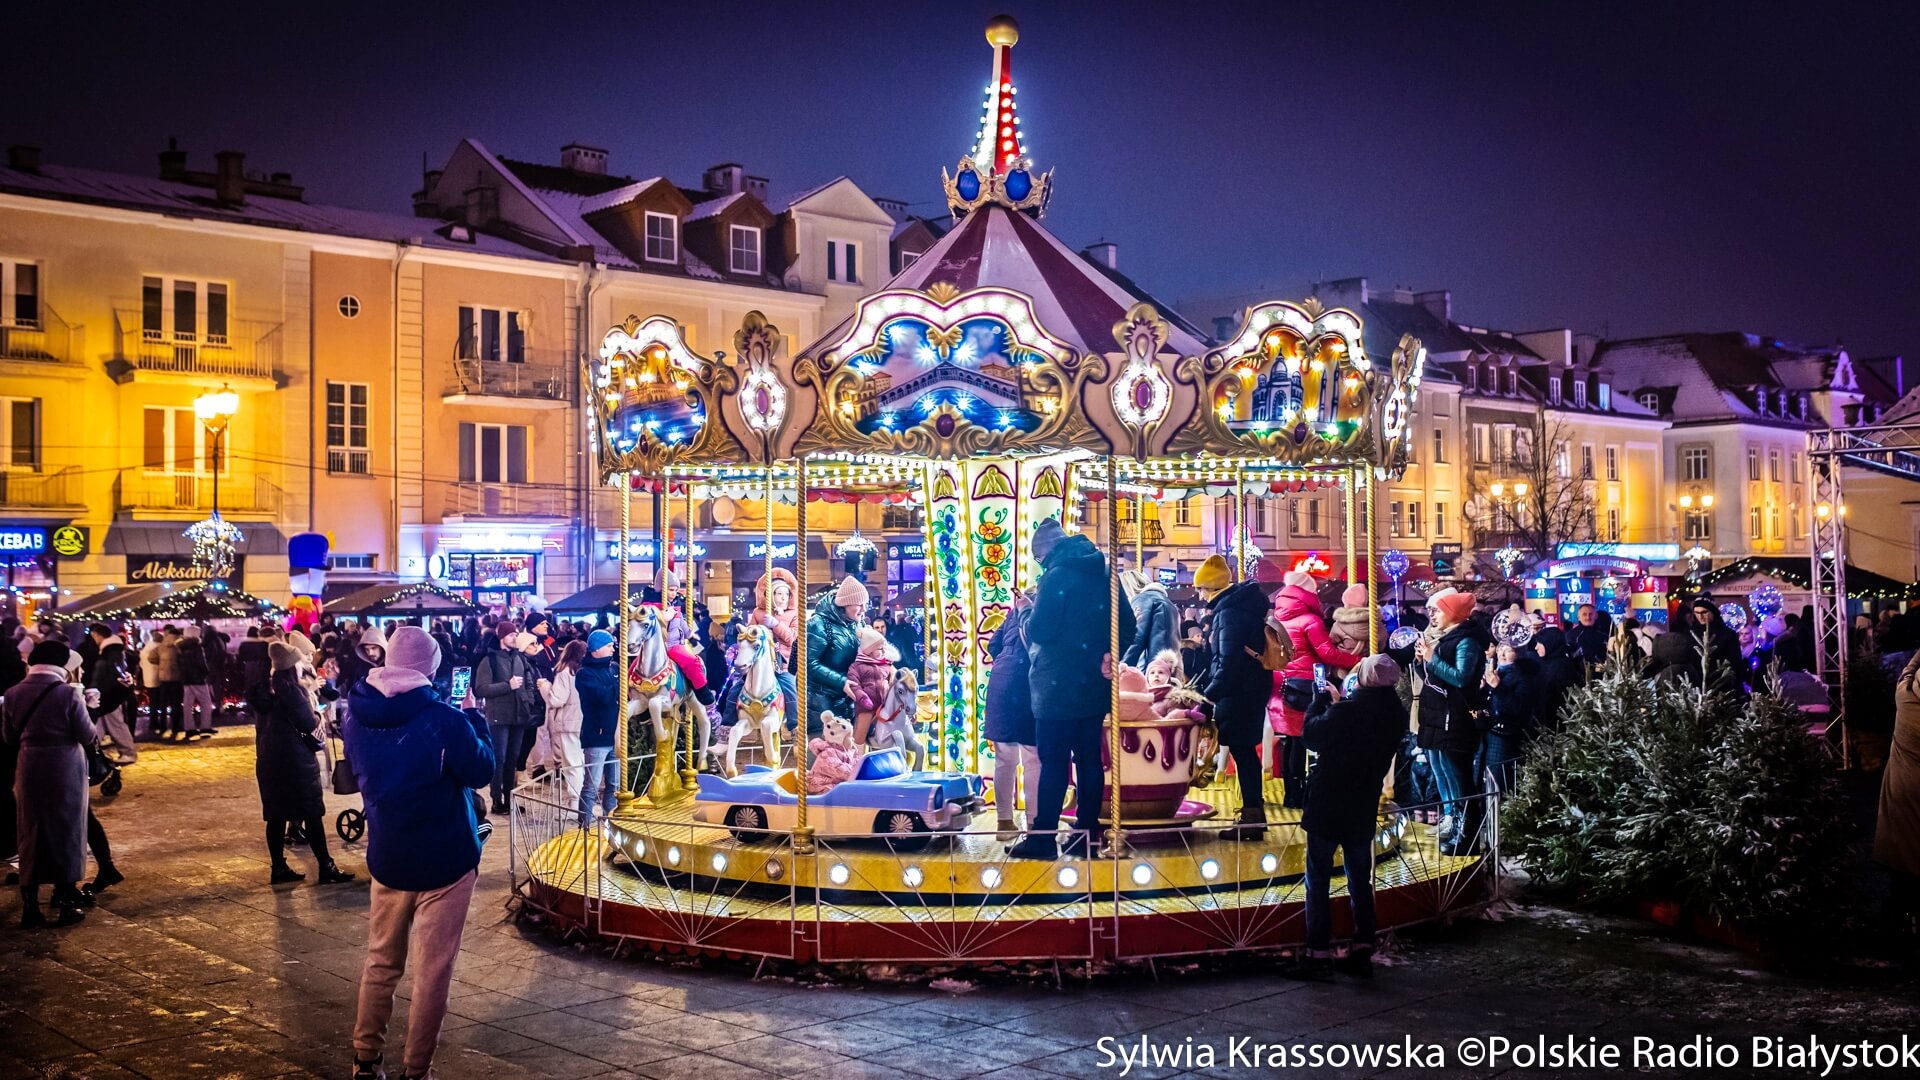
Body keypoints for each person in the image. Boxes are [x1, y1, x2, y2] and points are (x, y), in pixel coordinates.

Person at [343, 625, 495, 1080]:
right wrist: (474, 718)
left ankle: (365, 1059)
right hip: (445, 859)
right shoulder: (444, 719)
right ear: (430, 667)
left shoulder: (355, 714)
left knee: (381, 961)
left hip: (389, 855)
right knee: (433, 972)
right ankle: (416, 1069)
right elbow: (481, 771)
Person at [1008, 518, 1135, 860]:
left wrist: (1025, 611)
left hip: (1056, 686)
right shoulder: (1105, 573)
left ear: (1045, 553)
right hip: (1092, 684)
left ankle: (1043, 838)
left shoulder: (1056, 576)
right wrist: (1111, 653)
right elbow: (1128, 625)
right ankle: (1087, 833)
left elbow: (1041, 631)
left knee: (1054, 762)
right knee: (1089, 760)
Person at [1283, 654, 1408, 981]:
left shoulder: (1348, 711)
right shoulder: (1394, 715)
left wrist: (1320, 703)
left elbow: (1312, 735)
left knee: (1318, 879)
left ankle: (1318, 952)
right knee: (1359, 880)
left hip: (1329, 801)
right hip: (1362, 803)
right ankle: (1362, 948)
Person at [4, 641, 95, 928]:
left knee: (30, 830)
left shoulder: (13, 693)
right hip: (64, 766)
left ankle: (30, 906)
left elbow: (8, 737)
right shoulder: (67, 693)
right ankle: (65, 900)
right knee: (66, 828)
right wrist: (88, 707)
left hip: (29, 765)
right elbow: (87, 734)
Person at [249, 641, 354, 885]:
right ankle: (326, 866)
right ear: (291, 665)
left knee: (276, 816)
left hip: (269, 760)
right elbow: (308, 722)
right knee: (311, 812)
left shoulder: (263, 690)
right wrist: (317, 714)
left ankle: (278, 867)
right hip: (296, 762)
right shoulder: (292, 691)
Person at [1194, 553, 1275, 841]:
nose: (1200, 595)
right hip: (1249, 688)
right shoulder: (1238, 608)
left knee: (1243, 752)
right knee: (1244, 752)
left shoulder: (1229, 614)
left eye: (1201, 589)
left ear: (1211, 587)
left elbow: (1228, 662)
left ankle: (1252, 817)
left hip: (1240, 692)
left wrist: (1208, 697)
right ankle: (1252, 814)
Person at [1271, 570, 1364, 810]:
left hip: (1282, 683)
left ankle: (1291, 793)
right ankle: (1305, 791)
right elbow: (1327, 653)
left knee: (1291, 741)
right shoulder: (1309, 620)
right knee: (1308, 738)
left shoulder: (1277, 617)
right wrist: (1358, 661)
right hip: (1309, 683)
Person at [1414, 588, 1491, 856]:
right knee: (1445, 772)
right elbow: (1434, 678)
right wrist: (1421, 662)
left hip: (1455, 719)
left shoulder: (1467, 641)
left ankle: (1467, 835)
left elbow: (1461, 678)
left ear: (1452, 613)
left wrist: (1432, 658)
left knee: (1459, 777)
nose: (1433, 616)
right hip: (1440, 716)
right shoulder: (1448, 638)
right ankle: (1455, 823)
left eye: (1437, 611)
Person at [984, 606, 1039, 841]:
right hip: (1027, 684)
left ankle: (1004, 821)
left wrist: (1006, 662)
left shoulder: (1012, 613)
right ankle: (1034, 822)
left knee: (1004, 759)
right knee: (1032, 758)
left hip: (1000, 683)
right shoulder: (1041, 610)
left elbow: (993, 645)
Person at [471, 630, 541, 815]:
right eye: (510, 635)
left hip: (519, 715)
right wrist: (507, 686)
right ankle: (496, 800)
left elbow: (529, 682)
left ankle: (510, 799)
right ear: (502, 637)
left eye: (516, 635)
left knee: (513, 759)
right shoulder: (489, 660)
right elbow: (481, 689)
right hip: (498, 716)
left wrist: (528, 701)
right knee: (499, 758)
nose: (514, 638)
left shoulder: (519, 658)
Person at [805, 576, 870, 739]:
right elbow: (809, 663)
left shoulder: (857, 623)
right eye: (859, 604)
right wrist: (841, 681)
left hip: (847, 696)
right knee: (825, 745)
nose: (864, 609)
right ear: (845, 604)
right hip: (820, 699)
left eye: (865, 604)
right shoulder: (818, 624)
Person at [574, 630, 621, 826]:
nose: (613, 648)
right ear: (596, 649)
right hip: (597, 735)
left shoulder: (614, 668)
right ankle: (584, 825)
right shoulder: (584, 674)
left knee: (614, 785)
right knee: (591, 785)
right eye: (608, 645)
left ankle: (610, 823)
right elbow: (601, 696)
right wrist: (619, 685)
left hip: (616, 735)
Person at [1481, 641, 1538, 795]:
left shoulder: (1524, 676)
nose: (1502, 654)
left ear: (1518, 653)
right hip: (1487, 733)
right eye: (1500, 649)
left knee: (1498, 785)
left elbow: (1515, 708)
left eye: (1508, 650)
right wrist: (1482, 689)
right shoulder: (1496, 672)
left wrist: (1498, 687)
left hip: (1505, 736)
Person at [534, 640, 587, 801]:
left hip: (568, 721)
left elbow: (557, 699)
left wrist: (544, 686)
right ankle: (583, 797)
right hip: (584, 721)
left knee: (571, 764)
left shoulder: (565, 672)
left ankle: (575, 800)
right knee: (581, 761)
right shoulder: (584, 671)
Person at [752, 568, 802, 732]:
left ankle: (794, 725)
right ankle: (728, 722)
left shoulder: (794, 614)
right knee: (738, 686)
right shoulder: (758, 613)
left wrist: (776, 624)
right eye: (779, 594)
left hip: (783, 662)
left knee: (789, 689)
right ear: (770, 595)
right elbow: (750, 633)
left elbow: (793, 638)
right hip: (761, 661)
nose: (783, 597)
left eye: (786, 594)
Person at [90, 630, 138, 766]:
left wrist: (103, 690)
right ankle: (92, 751)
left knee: (114, 724)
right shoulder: (113, 652)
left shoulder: (111, 653)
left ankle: (127, 752)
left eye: (95, 635)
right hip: (106, 694)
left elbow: (110, 676)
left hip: (108, 695)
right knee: (99, 724)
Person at [1120, 569, 1178, 668]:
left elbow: (1136, 638)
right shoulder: (1167, 602)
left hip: (1149, 667)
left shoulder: (1142, 599)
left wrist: (1122, 667)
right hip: (1165, 665)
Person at [176, 626, 215, 740]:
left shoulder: (180, 647)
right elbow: (201, 663)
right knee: (206, 702)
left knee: (187, 704)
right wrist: (206, 673)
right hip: (198, 678)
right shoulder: (197, 646)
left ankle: (189, 728)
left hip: (186, 678)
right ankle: (205, 726)